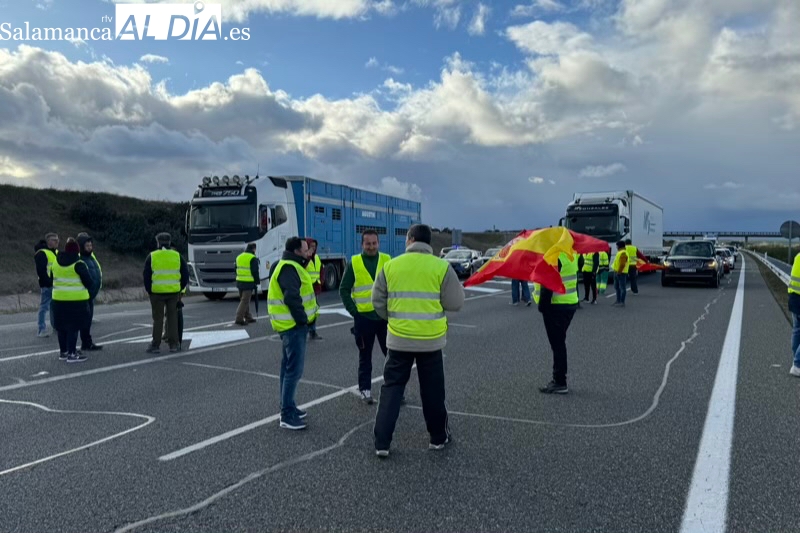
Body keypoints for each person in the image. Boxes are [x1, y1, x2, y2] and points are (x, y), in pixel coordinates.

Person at [372, 224, 465, 457]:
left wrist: (393, 318)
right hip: (430, 340)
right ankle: (437, 438)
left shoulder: (390, 266)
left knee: (392, 388)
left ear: (410, 239)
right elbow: (455, 302)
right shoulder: (441, 267)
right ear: (428, 241)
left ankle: (382, 443)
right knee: (433, 391)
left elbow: (377, 302)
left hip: (398, 339)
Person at [268, 237, 319, 430]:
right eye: (306, 250)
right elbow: (292, 297)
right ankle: (287, 414)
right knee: (293, 371)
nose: (309, 253)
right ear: (297, 251)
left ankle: (288, 406)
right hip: (293, 327)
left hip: (290, 326)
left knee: (287, 368)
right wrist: (303, 321)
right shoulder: (290, 267)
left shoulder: (289, 265)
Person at [339, 229, 391, 404]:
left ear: (378, 243)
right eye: (368, 244)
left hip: (384, 318)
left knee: (392, 356)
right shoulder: (354, 263)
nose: (371, 247)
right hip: (364, 319)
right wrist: (354, 312)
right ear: (362, 244)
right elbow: (344, 289)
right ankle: (365, 390)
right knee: (365, 356)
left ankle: (395, 389)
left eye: (374, 243)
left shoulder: (387, 260)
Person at [533, 252, 579, 394]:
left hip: (556, 305)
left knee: (557, 345)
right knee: (560, 342)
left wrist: (542, 307)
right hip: (570, 303)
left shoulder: (552, 257)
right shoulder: (571, 254)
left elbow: (547, 284)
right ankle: (559, 379)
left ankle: (559, 381)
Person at [143, 232, 188, 354]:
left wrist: (150, 290)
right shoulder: (177, 256)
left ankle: (155, 345)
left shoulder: (152, 256)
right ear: (169, 242)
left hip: (157, 293)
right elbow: (185, 274)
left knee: (158, 319)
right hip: (173, 292)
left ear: (158, 242)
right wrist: (180, 288)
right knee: (172, 318)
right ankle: (174, 344)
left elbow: (146, 275)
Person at [50, 238, 91, 363]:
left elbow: (51, 278)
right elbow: (88, 281)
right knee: (73, 327)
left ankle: (64, 352)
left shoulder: (55, 263)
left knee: (61, 327)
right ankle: (72, 354)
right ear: (77, 251)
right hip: (76, 301)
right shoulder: (79, 264)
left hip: (58, 300)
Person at [77, 233, 103, 351]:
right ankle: (84, 343)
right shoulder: (79, 259)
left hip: (90, 295)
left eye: (90, 245)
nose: (90, 247)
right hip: (83, 295)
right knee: (83, 321)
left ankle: (87, 342)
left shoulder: (91, 257)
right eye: (87, 245)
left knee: (87, 321)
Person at [33, 232, 58, 337]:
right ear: (49, 241)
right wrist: (48, 282)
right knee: (44, 307)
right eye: (54, 240)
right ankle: (41, 329)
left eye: (57, 239)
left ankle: (56, 327)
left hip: (56, 284)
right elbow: (41, 270)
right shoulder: (42, 253)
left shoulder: (55, 252)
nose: (57, 241)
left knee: (55, 307)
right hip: (47, 285)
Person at [234, 242, 260, 326]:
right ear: (254, 249)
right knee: (245, 300)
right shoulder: (252, 258)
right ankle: (239, 318)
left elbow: (235, 269)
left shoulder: (239, 257)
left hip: (239, 281)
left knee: (245, 300)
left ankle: (248, 316)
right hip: (248, 282)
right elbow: (255, 272)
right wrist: (257, 281)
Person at [305, 238, 323, 340]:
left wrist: (321, 280)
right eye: (311, 246)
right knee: (306, 311)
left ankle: (312, 331)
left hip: (314, 287)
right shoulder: (304, 259)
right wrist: (308, 256)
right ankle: (306, 331)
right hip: (306, 289)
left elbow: (321, 269)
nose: (313, 248)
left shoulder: (316, 257)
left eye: (315, 246)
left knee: (314, 311)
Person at [789, 251, 800, 377]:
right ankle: (797, 364)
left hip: (793, 297)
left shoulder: (798, 256)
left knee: (797, 330)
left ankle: (796, 362)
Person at [612, 240, 629, 307]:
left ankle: (622, 302)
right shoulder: (620, 252)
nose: (616, 247)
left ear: (619, 246)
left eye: (617, 245)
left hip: (621, 273)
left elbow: (622, 264)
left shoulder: (623, 253)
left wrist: (619, 272)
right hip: (617, 271)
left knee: (622, 288)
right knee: (617, 287)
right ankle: (618, 301)